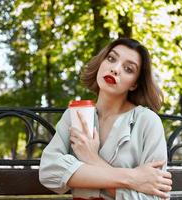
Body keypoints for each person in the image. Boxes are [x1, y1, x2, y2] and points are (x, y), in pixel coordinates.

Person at [39, 38, 172, 200]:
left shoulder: (148, 122)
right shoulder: (75, 115)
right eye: (111, 59)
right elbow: (48, 171)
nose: (115, 69)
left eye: (128, 69)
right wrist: (132, 179)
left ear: (134, 84)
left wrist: (92, 159)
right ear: (101, 62)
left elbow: (155, 197)